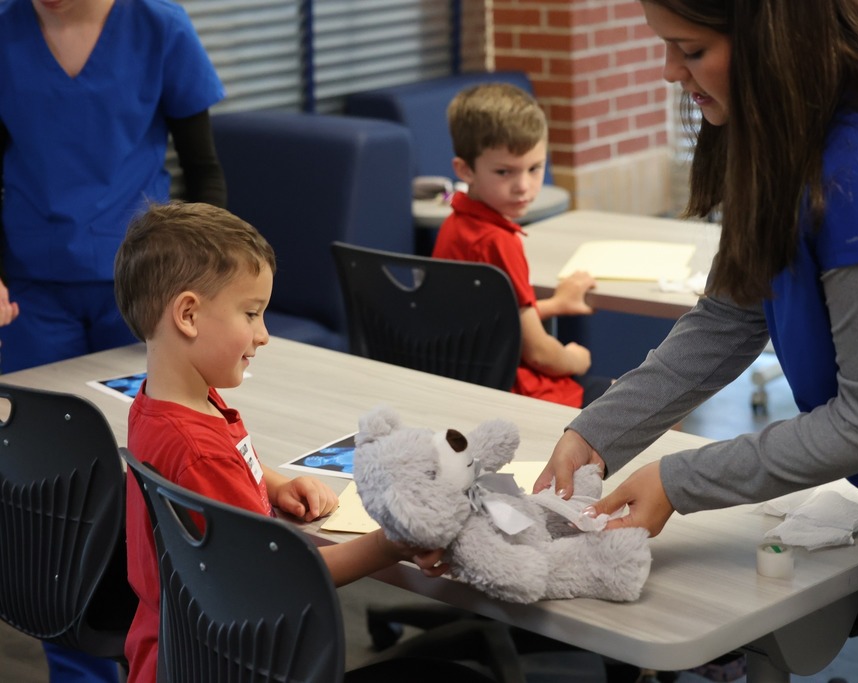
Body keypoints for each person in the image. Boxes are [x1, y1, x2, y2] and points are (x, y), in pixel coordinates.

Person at [533, 2, 858, 681]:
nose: (670, 70)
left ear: (772, 38)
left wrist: (679, 480)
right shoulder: (797, 119)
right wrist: (597, 433)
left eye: (691, 49)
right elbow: (733, 311)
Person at [114, 202, 499, 683]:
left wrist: (272, 485)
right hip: (224, 661)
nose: (264, 335)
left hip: (176, 649)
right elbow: (281, 579)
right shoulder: (199, 451)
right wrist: (388, 545)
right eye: (251, 314)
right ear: (188, 314)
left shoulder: (164, 404)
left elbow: (212, 473)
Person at [0, 0, 227, 376]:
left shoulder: (161, 26)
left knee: (138, 424)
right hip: (31, 289)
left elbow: (203, 171)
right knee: (42, 424)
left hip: (145, 280)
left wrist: (205, 276)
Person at [432, 82, 611, 408]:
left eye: (534, 168)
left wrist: (556, 304)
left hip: (476, 389)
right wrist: (575, 359)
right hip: (523, 396)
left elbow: (493, 320)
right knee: (659, 403)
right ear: (465, 169)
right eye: (504, 172)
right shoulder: (498, 241)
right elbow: (541, 353)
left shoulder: (454, 225)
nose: (524, 187)